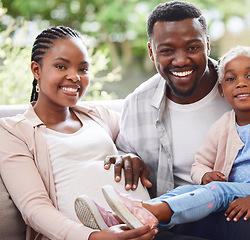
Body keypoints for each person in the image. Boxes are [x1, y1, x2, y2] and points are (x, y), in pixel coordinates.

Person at [106, 1, 250, 239]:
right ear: (151, 52)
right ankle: (135, 213)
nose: (180, 61)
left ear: (208, 45)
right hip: (188, 218)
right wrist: (127, 157)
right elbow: (195, 162)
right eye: (167, 50)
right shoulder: (138, 104)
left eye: (192, 48)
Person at [0, 26, 158, 240]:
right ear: (36, 70)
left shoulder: (100, 116)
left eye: (83, 69)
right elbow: (34, 208)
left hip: (149, 230)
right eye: (61, 66)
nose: (74, 77)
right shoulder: (13, 132)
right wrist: (93, 237)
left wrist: (131, 155)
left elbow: (145, 138)